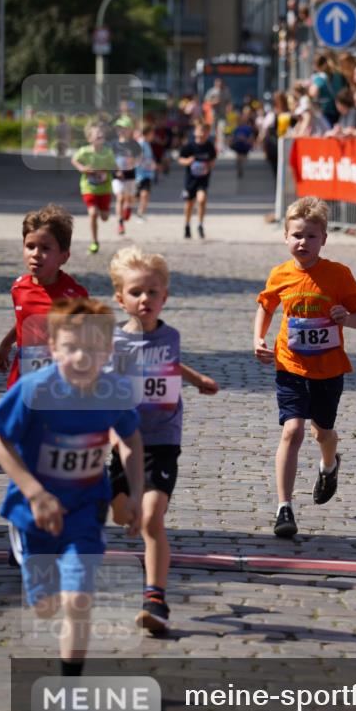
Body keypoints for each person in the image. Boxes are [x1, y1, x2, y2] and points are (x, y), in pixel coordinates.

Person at [0, 298, 143, 675]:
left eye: (92, 349)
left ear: (108, 350)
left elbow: (131, 440)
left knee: (79, 599)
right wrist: (34, 491)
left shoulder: (113, 390)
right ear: (54, 347)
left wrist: (136, 493)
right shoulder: (34, 389)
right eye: (71, 348)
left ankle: (70, 687)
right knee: (45, 604)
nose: (81, 358)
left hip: (85, 510)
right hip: (34, 515)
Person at [108, 246, 219, 632]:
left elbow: (167, 362)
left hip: (162, 440)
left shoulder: (170, 335)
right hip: (124, 442)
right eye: (136, 292)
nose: (145, 299)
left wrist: (194, 379)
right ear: (120, 298)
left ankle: (155, 598)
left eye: (153, 292)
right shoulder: (114, 345)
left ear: (165, 297)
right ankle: (126, 509)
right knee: (124, 514)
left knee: (153, 518)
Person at [253, 197, 356, 539]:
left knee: (322, 432)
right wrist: (258, 338)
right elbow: (265, 306)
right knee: (292, 431)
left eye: (311, 236)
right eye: (296, 235)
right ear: (285, 237)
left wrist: (346, 318)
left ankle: (329, 465)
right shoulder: (280, 274)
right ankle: (284, 507)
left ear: (324, 239)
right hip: (289, 364)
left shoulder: (338, 275)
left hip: (329, 368)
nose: (303, 242)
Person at [0, 205, 88, 388]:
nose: (36, 254)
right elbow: (24, 320)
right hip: (22, 378)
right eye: (30, 246)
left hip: (58, 382)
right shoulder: (19, 288)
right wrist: (5, 345)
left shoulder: (75, 296)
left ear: (64, 256)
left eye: (45, 248)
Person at [71, 122, 116, 254]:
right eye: (97, 135)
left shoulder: (108, 152)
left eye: (101, 135)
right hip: (88, 187)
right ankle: (94, 242)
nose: (100, 136)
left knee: (105, 217)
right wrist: (82, 168)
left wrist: (110, 170)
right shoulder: (84, 151)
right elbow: (74, 160)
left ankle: (103, 214)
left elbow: (114, 165)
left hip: (105, 188)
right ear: (89, 138)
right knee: (93, 213)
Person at [179, 120, 216, 239]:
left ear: (207, 133)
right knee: (189, 203)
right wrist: (188, 161)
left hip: (203, 179)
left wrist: (208, 167)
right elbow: (180, 159)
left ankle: (200, 225)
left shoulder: (209, 146)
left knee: (201, 199)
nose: (201, 134)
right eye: (200, 131)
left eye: (204, 132)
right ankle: (187, 225)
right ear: (195, 132)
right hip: (190, 179)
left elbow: (212, 160)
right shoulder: (189, 146)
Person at [112, 119, 140, 236]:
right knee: (120, 198)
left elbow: (139, 158)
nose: (121, 131)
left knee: (129, 198)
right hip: (117, 176)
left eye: (124, 128)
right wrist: (116, 170)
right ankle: (120, 223)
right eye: (119, 128)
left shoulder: (134, 144)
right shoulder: (113, 144)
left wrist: (133, 162)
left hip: (130, 175)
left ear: (130, 130)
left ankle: (128, 207)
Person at [135, 125, 157, 222]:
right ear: (148, 133)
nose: (153, 136)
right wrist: (148, 164)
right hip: (141, 174)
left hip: (147, 174)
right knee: (142, 195)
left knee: (144, 194)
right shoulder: (141, 144)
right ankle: (139, 212)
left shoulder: (147, 144)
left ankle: (141, 213)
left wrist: (152, 164)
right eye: (152, 134)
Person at [230, 105, 257, 179]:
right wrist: (232, 142)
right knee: (239, 158)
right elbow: (233, 136)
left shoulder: (248, 128)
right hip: (238, 145)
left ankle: (241, 166)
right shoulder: (237, 128)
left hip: (245, 145)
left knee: (243, 158)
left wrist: (248, 142)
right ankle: (239, 167)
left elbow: (251, 137)